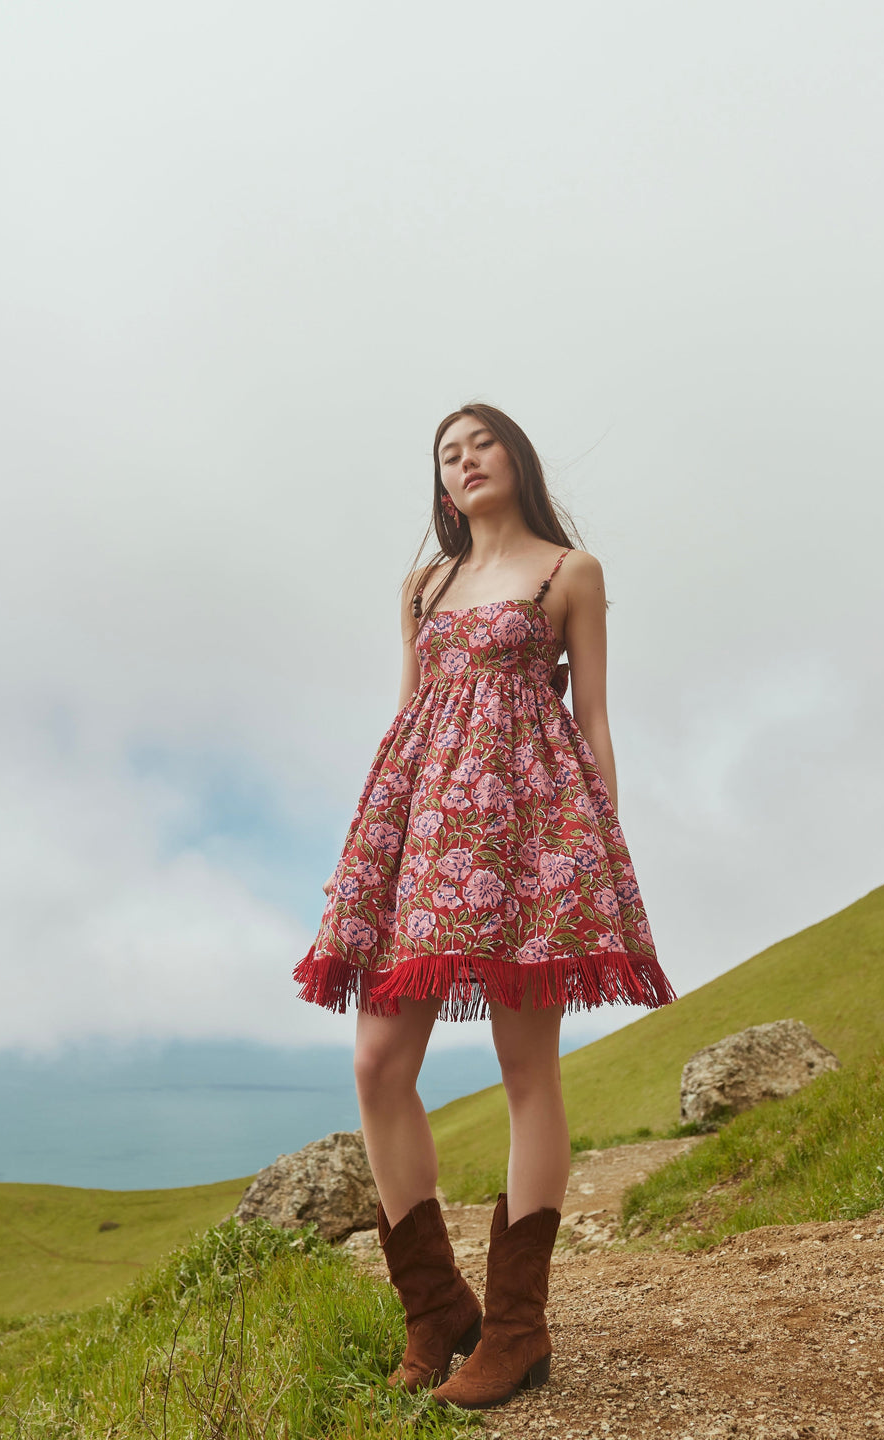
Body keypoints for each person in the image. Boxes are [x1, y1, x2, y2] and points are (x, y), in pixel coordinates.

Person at [293, 402, 675, 1410]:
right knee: (378, 1061)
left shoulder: (569, 574)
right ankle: (437, 1310)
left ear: (517, 456)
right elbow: (410, 713)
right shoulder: (424, 585)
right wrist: (377, 840)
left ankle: (516, 1328)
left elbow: (591, 716)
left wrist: (598, 850)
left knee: (524, 1067)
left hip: (528, 837)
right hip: (420, 835)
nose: (464, 463)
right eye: (446, 455)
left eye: (480, 444)